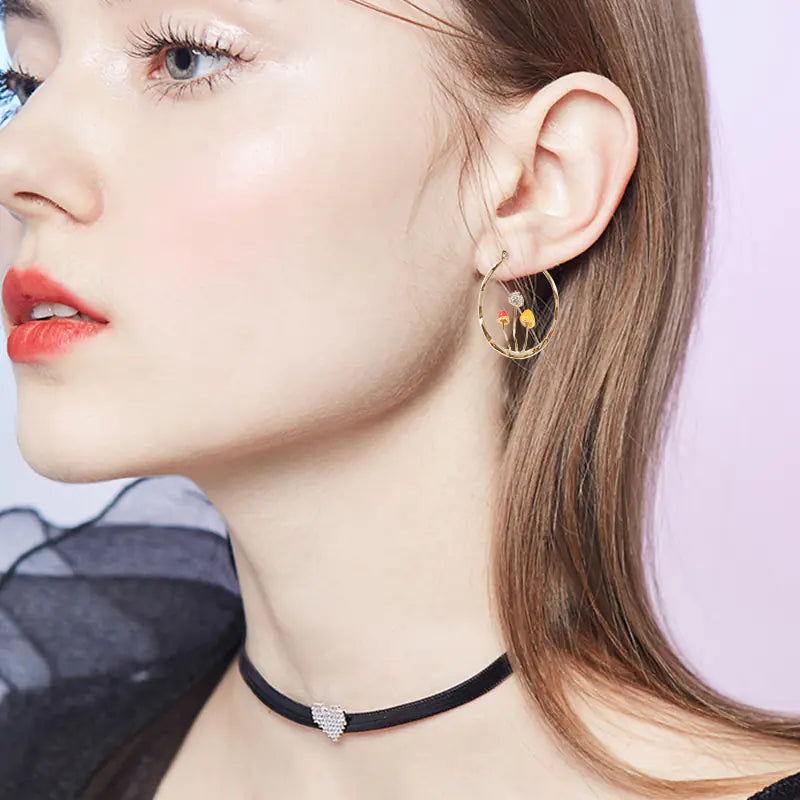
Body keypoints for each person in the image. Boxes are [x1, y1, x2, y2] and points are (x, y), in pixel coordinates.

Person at [0, 0, 798, 798]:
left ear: (536, 183)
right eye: (23, 78)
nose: (17, 163)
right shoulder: (37, 755)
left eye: (185, 58)